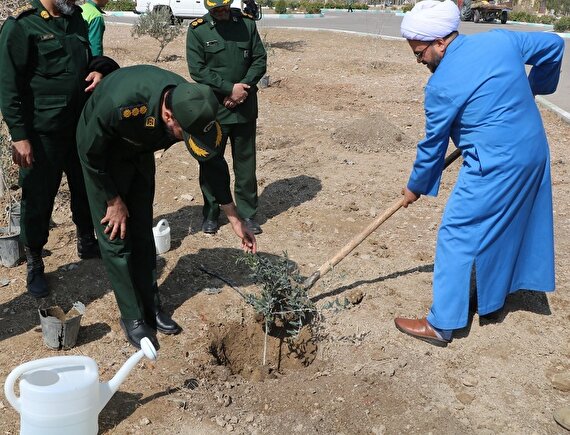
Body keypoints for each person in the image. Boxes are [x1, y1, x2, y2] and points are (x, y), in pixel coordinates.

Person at [393, 0, 564, 346]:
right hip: (533, 151)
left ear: (441, 41)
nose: (419, 61)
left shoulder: (440, 87)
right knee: (507, 223)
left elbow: (432, 148)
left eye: (420, 53)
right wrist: (534, 87)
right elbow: (555, 45)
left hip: (495, 165)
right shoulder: (500, 40)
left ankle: (442, 324)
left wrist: (414, 188)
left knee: (456, 234)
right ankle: (496, 298)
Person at [76, 65, 257, 349]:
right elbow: (88, 151)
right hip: (103, 157)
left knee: (141, 229)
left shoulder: (192, 102)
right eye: (183, 134)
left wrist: (234, 217)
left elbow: (211, 162)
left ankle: (151, 305)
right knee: (117, 235)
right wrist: (113, 200)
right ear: (168, 115)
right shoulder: (123, 106)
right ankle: (133, 317)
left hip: (139, 150)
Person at [0, 0, 118, 299]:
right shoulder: (22, 26)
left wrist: (98, 72)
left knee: (84, 187)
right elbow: (8, 85)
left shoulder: (76, 19)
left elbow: (88, 60)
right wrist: (19, 136)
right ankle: (36, 259)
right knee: (38, 197)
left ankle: (86, 239)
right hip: (42, 134)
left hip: (79, 125)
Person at [186, 0, 267, 235]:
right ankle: (211, 213)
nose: (219, 12)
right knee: (211, 162)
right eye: (214, 9)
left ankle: (248, 214)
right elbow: (198, 69)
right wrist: (228, 89)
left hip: (244, 107)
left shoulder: (246, 25)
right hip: (214, 109)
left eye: (222, 7)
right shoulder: (198, 30)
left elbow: (259, 59)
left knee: (245, 164)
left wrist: (242, 89)